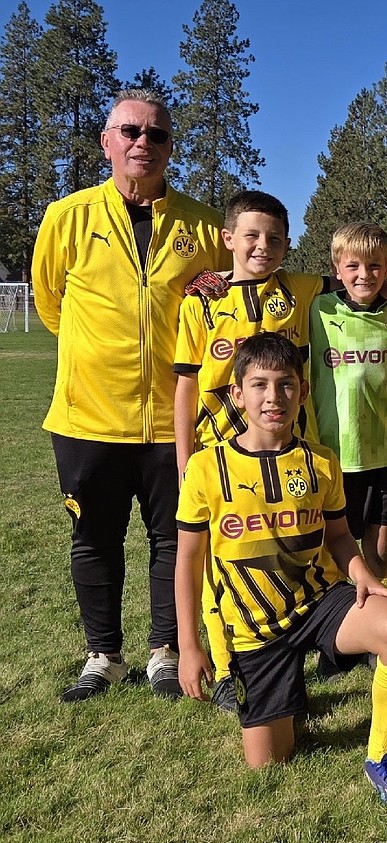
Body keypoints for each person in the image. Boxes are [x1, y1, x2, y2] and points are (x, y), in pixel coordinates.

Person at [33, 88, 230, 702]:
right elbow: (50, 305)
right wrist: (102, 355)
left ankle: (166, 652)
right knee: (93, 538)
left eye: (157, 134)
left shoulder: (201, 223)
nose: (143, 142)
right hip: (88, 416)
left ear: (171, 146)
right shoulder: (67, 216)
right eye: (131, 131)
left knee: (174, 537)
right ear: (107, 141)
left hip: (178, 418)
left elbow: (228, 295)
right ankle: (103, 655)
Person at [174, 333, 387, 805]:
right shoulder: (207, 469)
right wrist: (189, 646)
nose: (274, 398)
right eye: (260, 385)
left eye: (287, 385)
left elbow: (337, 536)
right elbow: (188, 561)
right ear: (238, 393)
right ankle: (286, 697)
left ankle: (382, 757)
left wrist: (363, 572)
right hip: (255, 630)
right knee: (269, 762)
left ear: (303, 392)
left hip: (318, 602)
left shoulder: (320, 461)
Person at [307, 222, 387, 586]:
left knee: (379, 553)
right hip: (334, 454)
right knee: (335, 552)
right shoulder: (317, 309)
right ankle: (345, 628)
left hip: (386, 453)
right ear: (337, 269)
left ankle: (386, 630)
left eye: (375, 266)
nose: (365, 275)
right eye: (354, 266)